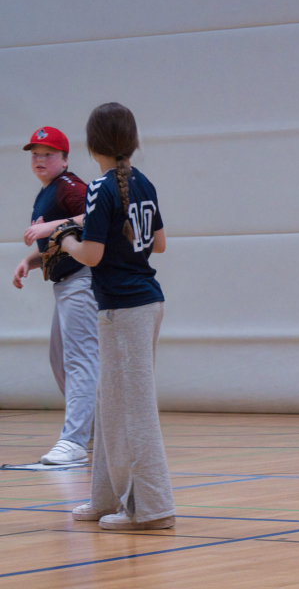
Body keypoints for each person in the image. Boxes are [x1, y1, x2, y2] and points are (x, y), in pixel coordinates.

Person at [60, 103, 175, 531]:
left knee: (133, 408)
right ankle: (106, 497)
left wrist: (66, 240)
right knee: (111, 403)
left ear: (93, 145)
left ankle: (152, 508)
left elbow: (91, 255)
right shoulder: (144, 182)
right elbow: (159, 244)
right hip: (140, 304)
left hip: (125, 309)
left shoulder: (99, 188)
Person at [13, 126, 98, 466]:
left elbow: (97, 216)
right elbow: (60, 240)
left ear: (64, 159)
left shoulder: (69, 186)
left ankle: (75, 440)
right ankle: (94, 431)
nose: (40, 159)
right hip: (65, 284)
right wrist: (30, 261)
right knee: (60, 359)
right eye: (35, 154)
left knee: (79, 360)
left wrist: (51, 226)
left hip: (82, 280)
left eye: (48, 154)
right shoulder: (47, 191)